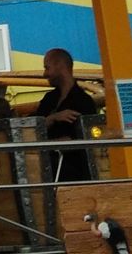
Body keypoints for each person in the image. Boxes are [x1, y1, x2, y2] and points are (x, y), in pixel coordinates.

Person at [35, 48, 99, 183]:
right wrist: (53, 118)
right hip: (45, 172)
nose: (44, 74)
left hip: (73, 175)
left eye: (47, 68)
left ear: (60, 66)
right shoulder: (49, 99)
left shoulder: (84, 101)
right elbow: (32, 128)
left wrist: (44, 146)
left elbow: (81, 139)